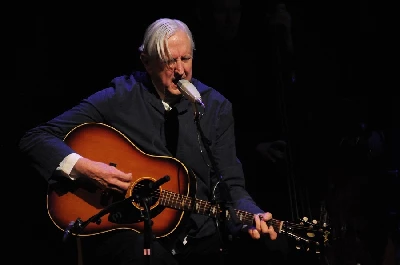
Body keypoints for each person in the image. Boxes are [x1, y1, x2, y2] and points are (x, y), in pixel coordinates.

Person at [18, 18, 286, 265]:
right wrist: (87, 168)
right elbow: (35, 138)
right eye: (170, 61)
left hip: (200, 235)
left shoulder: (216, 107)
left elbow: (233, 184)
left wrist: (251, 216)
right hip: (135, 233)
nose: (181, 70)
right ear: (146, 62)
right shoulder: (120, 96)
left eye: (186, 58)